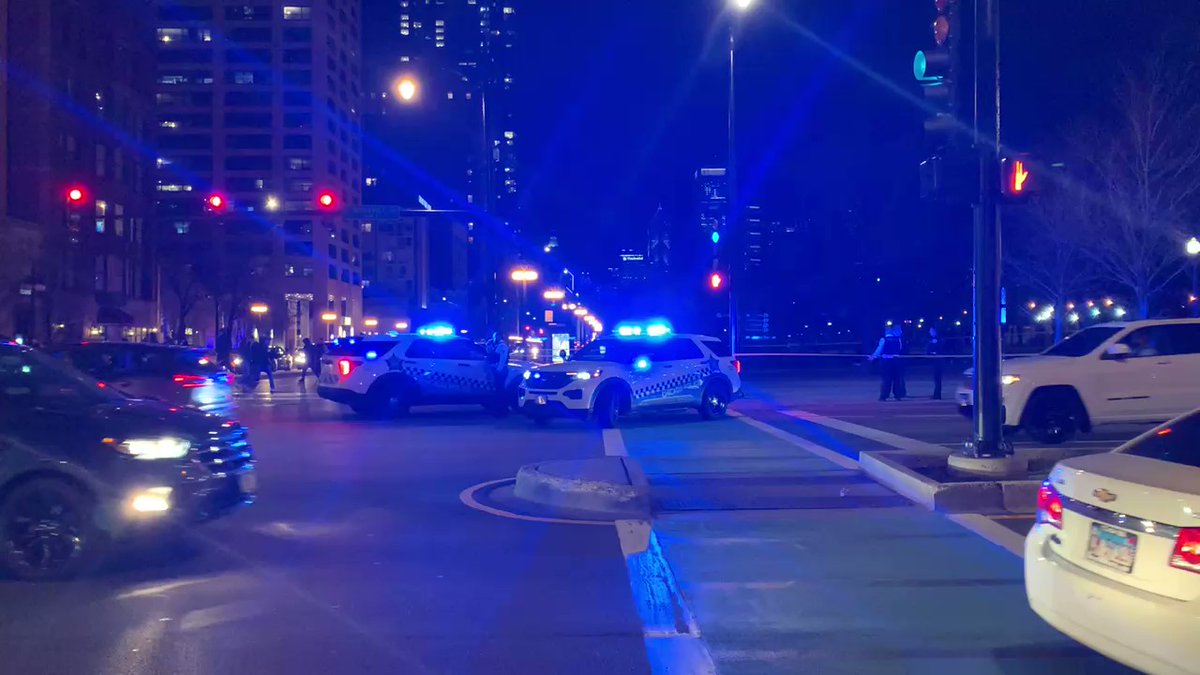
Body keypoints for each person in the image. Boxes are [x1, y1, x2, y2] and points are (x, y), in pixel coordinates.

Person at [869, 325, 905, 401]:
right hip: (896, 361)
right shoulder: (898, 340)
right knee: (896, 379)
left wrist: (873, 357)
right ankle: (897, 395)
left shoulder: (884, 340)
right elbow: (900, 350)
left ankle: (884, 396)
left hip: (886, 361)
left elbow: (879, 350)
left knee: (886, 380)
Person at [484, 331, 510, 395]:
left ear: (500, 337)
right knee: (496, 385)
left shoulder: (502, 346)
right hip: (495, 368)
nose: (495, 338)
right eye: (494, 336)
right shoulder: (494, 345)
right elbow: (488, 353)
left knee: (500, 385)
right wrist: (488, 345)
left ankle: (501, 401)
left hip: (501, 369)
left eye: (496, 336)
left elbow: (503, 359)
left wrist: (499, 369)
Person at [927, 326, 943, 400]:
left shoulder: (939, 339)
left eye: (932, 331)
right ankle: (936, 394)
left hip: (939, 361)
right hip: (934, 361)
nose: (930, 333)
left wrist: (935, 352)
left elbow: (942, 349)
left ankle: (938, 395)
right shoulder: (930, 340)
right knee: (936, 379)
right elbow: (927, 349)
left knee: (938, 379)